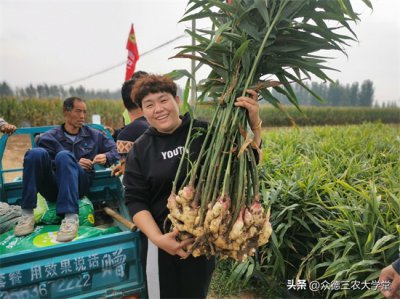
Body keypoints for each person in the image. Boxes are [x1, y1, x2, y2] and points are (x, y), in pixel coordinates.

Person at [123, 74, 262, 298]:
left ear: (177, 100)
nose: (158, 108)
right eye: (149, 105)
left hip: (202, 243)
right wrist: (159, 240)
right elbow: (135, 200)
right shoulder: (141, 149)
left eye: (163, 100)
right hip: (160, 246)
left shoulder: (207, 135)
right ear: (143, 111)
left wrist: (254, 123)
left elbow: (247, 161)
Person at [14, 97, 119, 242]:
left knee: (64, 156)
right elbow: (43, 165)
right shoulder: (50, 137)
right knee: (34, 153)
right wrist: (75, 162)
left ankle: (70, 218)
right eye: (78, 111)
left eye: (84, 112)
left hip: (79, 185)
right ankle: (26, 214)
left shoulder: (94, 135)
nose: (82, 116)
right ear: (66, 111)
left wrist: (106, 156)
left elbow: (116, 151)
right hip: (52, 187)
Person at [111, 71, 149, 176]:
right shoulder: (158, 125)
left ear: (124, 103)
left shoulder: (125, 135)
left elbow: (128, 173)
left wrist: (123, 165)